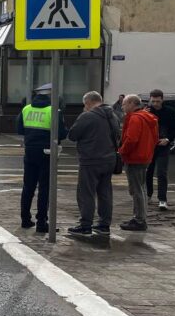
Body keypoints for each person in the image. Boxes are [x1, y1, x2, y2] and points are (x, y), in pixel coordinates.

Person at [66, 91, 120, 238]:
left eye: (85, 105)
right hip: (109, 160)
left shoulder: (87, 116)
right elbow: (117, 135)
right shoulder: (112, 115)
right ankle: (104, 225)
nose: (84, 107)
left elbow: (72, 135)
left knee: (86, 193)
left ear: (88, 102)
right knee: (105, 193)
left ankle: (85, 225)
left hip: (90, 160)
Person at [16, 83, 67, 233]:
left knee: (28, 187)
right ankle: (41, 223)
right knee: (45, 188)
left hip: (30, 151)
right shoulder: (53, 111)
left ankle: (25, 219)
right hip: (46, 152)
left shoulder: (26, 109)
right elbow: (62, 134)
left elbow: (19, 129)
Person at [118, 94, 158, 231]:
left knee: (136, 190)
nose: (122, 107)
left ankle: (139, 219)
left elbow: (131, 139)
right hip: (144, 156)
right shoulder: (148, 118)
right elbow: (155, 138)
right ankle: (139, 217)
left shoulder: (136, 118)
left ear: (131, 104)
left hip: (135, 157)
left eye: (124, 104)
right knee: (141, 188)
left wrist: (121, 151)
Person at [145, 89, 175, 211]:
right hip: (150, 146)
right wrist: (144, 114)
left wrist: (168, 139)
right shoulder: (146, 111)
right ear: (150, 99)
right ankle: (148, 195)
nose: (155, 104)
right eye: (153, 101)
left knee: (162, 173)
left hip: (163, 146)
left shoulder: (170, 112)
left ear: (162, 99)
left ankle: (162, 199)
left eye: (158, 101)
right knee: (148, 172)